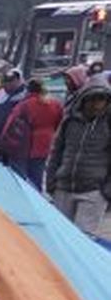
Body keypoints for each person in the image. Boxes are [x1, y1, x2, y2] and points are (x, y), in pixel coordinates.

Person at [45, 79, 111, 236]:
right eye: (92, 99)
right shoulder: (70, 120)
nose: (96, 104)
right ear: (84, 99)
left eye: (101, 99)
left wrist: (107, 191)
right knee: (59, 236)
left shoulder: (108, 123)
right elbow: (56, 151)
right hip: (64, 187)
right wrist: (51, 181)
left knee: (83, 239)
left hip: (93, 191)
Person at [0, 79, 64, 189]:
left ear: (28, 90)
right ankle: (35, 201)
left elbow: (10, 125)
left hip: (25, 145)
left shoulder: (24, 105)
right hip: (45, 146)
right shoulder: (55, 104)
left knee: (20, 179)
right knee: (36, 179)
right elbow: (61, 123)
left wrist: (3, 143)